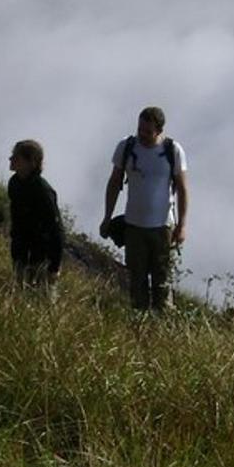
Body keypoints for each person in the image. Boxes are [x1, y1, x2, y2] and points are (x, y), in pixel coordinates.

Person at [100, 106, 189, 312]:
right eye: (140, 129)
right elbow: (114, 182)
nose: (143, 135)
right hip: (134, 227)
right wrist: (107, 216)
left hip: (162, 228)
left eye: (148, 132)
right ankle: (139, 324)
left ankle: (162, 324)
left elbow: (183, 189)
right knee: (136, 281)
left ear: (159, 131)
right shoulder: (127, 147)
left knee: (162, 281)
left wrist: (182, 225)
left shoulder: (172, 151)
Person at [7, 139, 63, 297]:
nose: (11, 160)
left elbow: (56, 229)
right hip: (21, 251)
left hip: (41, 255)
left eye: (16, 157)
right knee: (20, 295)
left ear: (31, 162)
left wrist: (54, 267)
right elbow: (16, 219)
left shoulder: (43, 191)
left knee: (41, 300)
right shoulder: (14, 183)